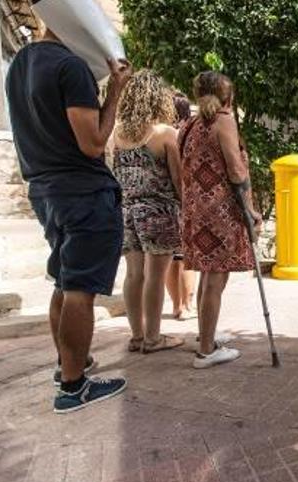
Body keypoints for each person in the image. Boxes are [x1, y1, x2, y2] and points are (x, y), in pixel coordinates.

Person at [5, 25, 131, 413]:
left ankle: (68, 366)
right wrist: (114, 93)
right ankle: (74, 387)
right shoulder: (69, 66)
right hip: (82, 191)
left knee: (64, 280)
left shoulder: (21, 63)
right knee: (79, 289)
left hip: (46, 190)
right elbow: (93, 144)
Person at [178, 71, 261, 369]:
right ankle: (206, 350)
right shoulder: (224, 120)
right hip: (220, 211)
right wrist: (250, 210)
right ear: (229, 95)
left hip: (195, 211)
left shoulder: (190, 124)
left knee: (208, 273)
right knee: (215, 277)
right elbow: (237, 172)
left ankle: (206, 333)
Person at [112, 70, 185, 354]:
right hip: (159, 212)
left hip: (127, 212)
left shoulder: (116, 134)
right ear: (159, 99)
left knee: (133, 275)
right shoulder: (166, 134)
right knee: (156, 276)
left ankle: (137, 336)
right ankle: (154, 338)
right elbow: (179, 180)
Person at [165, 93, 198, 320]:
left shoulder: (159, 134)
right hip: (182, 201)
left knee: (170, 258)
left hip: (163, 202)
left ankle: (176, 305)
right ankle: (187, 306)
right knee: (186, 257)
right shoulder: (184, 135)